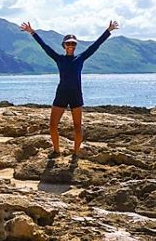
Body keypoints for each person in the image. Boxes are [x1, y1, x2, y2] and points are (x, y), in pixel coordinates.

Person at [19, 20, 120, 158]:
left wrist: (108, 31)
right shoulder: (59, 58)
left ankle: (76, 153)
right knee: (53, 125)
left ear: (76, 45)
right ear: (64, 45)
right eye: (68, 43)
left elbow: (95, 45)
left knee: (78, 127)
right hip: (61, 94)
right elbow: (45, 46)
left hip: (76, 95)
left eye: (73, 43)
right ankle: (56, 151)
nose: (71, 45)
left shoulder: (81, 58)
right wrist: (32, 32)